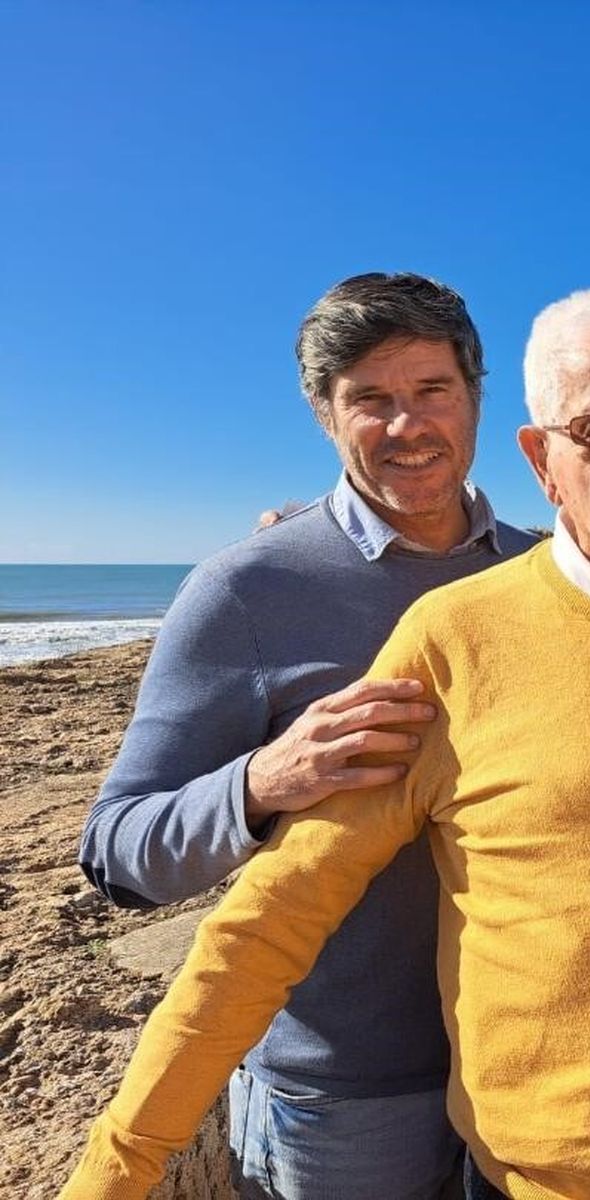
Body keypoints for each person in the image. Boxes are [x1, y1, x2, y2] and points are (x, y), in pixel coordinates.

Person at [64, 290, 590, 1200]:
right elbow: (270, 922)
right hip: (528, 1174)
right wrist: (114, 1170)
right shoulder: (450, 637)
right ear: (542, 460)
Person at [77, 273, 537, 1199]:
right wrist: (260, 782)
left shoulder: (543, 574)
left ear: (476, 397)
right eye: (370, 399)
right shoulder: (248, 590)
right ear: (325, 415)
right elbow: (118, 853)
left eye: (432, 390)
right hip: (344, 1095)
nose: (407, 425)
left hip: (531, 1062)